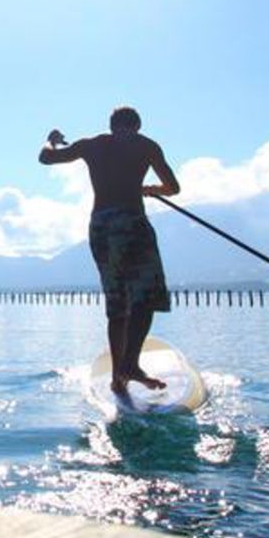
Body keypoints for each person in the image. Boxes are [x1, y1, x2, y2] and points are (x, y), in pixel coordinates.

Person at [39, 106, 180, 402]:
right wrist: (148, 188)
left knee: (118, 303)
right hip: (132, 222)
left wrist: (51, 139)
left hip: (102, 225)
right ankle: (130, 365)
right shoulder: (147, 146)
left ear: (112, 125)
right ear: (137, 126)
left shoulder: (93, 144)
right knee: (145, 298)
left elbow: (46, 157)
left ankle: (119, 377)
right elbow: (173, 188)